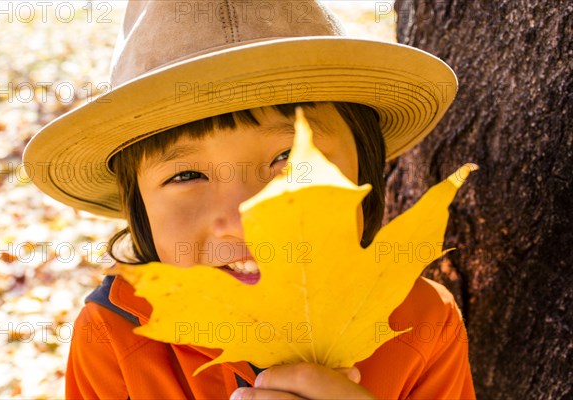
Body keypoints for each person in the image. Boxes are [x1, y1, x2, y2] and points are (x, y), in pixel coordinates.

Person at [23, 1, 475, 398]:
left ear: (366, 169)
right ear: (139, 206)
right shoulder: (115, 338)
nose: (245, 220)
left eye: (289, 156)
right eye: (186, 174)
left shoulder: (424, 325)